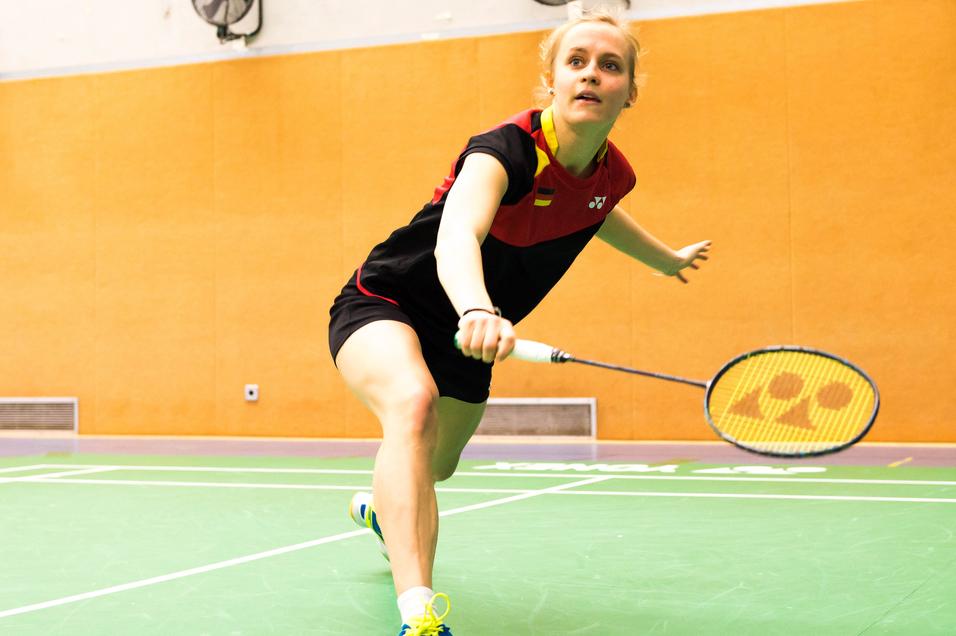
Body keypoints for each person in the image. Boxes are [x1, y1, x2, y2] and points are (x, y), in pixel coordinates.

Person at [329, 11, 711, 635]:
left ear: (629, 91)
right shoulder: (503, 149)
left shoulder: (613, 175)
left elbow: (596, 209)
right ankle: (419, 613)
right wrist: (477, 306)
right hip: (388, 302)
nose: (592, 74)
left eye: (610, 65)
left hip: (468, 344)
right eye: (577, 61)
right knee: (412, 406)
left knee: (434, 466)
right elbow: (458, 234)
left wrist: (665, 261)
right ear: (552, 79)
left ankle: (382, 510)